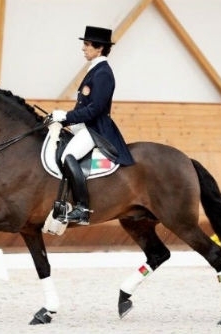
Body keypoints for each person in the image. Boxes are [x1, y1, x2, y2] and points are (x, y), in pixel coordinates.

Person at [51, 25, 135, 225]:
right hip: (85, 125)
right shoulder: (95, 70)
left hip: (96, 128)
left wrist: (66, 116)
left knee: (67, 156)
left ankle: (82, 208)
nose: (83, 48)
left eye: (87, 45)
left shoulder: (103, 73)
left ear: (99, 48)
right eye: (85, 44)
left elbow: (95, 109)